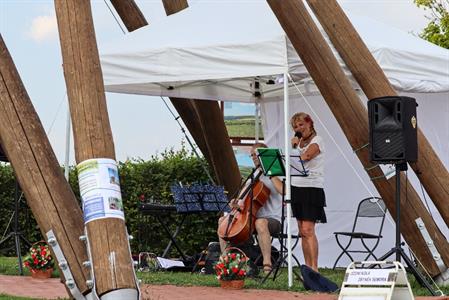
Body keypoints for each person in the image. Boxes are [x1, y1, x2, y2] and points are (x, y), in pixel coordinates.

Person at [217, 143, 282, 274]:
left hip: (273, 219)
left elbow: (284, 191)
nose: (253, 157)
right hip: (251, 217)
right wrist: (235, 202)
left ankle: (267, 265)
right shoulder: (253, 176)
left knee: (260, 222)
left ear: (265, 154)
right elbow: (242, 200)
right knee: (222, 221)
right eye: (251, 155)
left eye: (256, 154)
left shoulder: (276, 172)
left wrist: (270, 173)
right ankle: (226, 262)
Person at [286, 112, 326, 272]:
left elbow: (306, 156)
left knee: (309, 229)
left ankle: (315, 268)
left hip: (312, 187)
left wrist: (294, 147)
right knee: (302, 230)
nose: (299, 128)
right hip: (296, 187)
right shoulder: (298, 142)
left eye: (301, 124)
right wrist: (295, 146)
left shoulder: (318, 140)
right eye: (295, 126)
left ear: (310, 123)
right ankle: (307, 267)